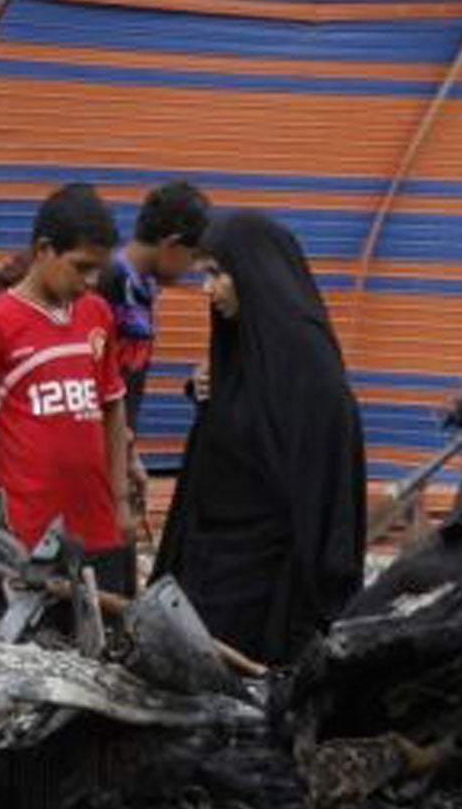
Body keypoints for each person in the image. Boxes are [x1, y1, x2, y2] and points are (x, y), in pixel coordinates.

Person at [154, 211, 366, 663]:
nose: (207, 290)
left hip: (268, 587)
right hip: (213, 567)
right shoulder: (242, 344)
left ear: (253, 271)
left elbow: (323, 484)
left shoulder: (306, 362)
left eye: (216, 274)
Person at [0, 183, 136, 595]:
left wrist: (120, 503)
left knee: (105, 652)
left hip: (100, 531)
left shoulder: (97, 313)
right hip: (29, 538)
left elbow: (113, 410)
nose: (90, 280)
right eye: (81, 267)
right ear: (44, 249)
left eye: (98, 269)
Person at [100, 180, 212, 430]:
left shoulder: (144, 288)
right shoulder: (106, 280)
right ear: (171, 244)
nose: (193, 268)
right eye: (192, 256)